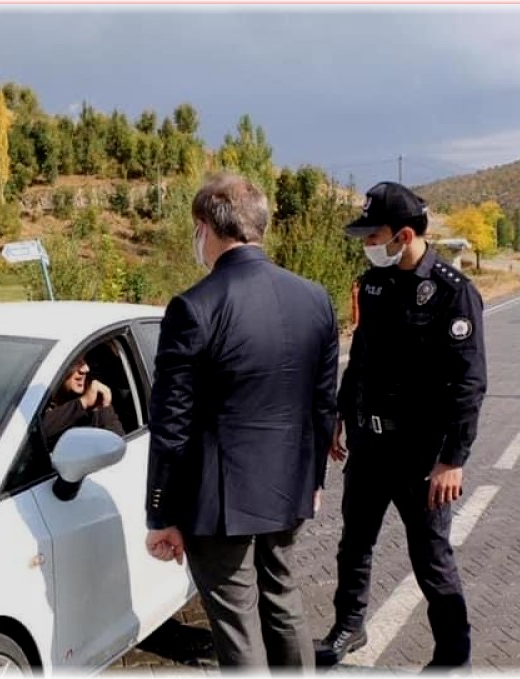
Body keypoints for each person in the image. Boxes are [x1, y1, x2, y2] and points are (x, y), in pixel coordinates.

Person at [144, 173, 339, 670]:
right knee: (282, 597)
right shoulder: (314, 298)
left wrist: (161, 514)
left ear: (205, 226)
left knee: (236, 623)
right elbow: (322, 403)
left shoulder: (194, 307)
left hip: (219, 500)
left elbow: (171, 425)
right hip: (288, 487)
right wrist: (313, 478)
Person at [317, 181, 487, 671]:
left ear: (405, 235)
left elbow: (469, 383)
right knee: (354, 542)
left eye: (375, 237)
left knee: (431, 557)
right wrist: (339, 415)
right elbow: (363, 358)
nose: (368, 246)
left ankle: (453, 655)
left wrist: (453, 459)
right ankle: (349, 624)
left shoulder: (454, 294)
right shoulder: (374, 284)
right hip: (370, 447)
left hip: (421, 454)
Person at [40, 352, 124, 450]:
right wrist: (82, 403)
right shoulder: (36, 401)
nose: (85, 368)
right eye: (75, 361)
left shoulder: (94, 398)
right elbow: (31, 434)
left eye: (84, 360)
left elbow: (117, 445)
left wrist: (104, 407)